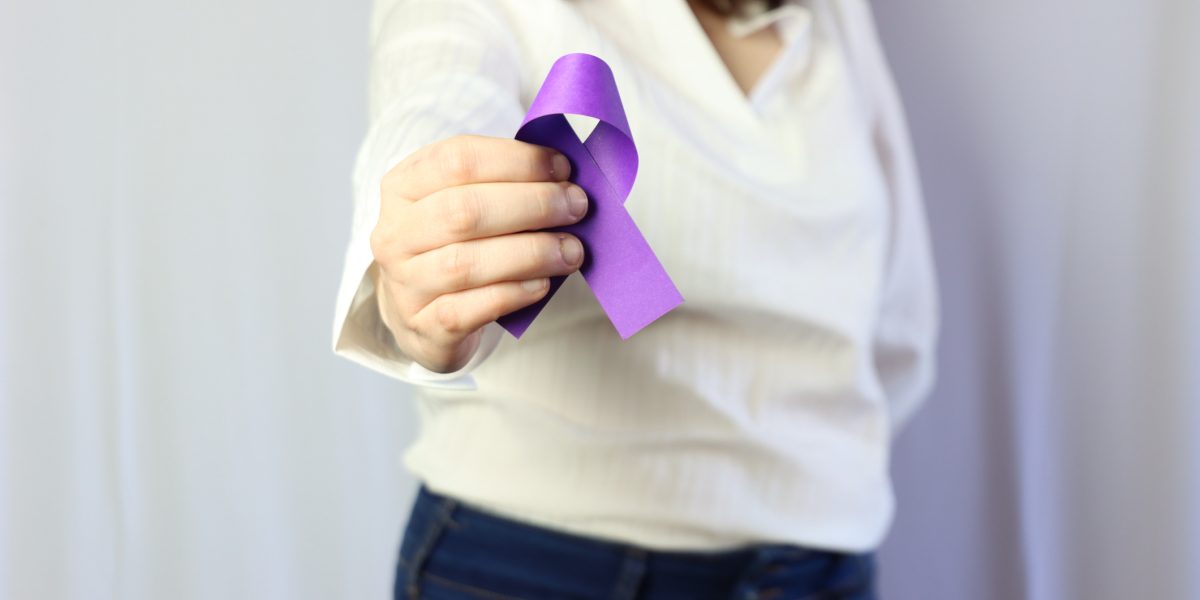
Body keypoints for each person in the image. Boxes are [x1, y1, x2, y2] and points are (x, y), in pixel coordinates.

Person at [332, 0, 938, 597]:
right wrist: (418, 279)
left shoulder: (834, 16)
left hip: (821, 566)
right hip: (541, 562)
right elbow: (430, 111)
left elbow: (896, 317)